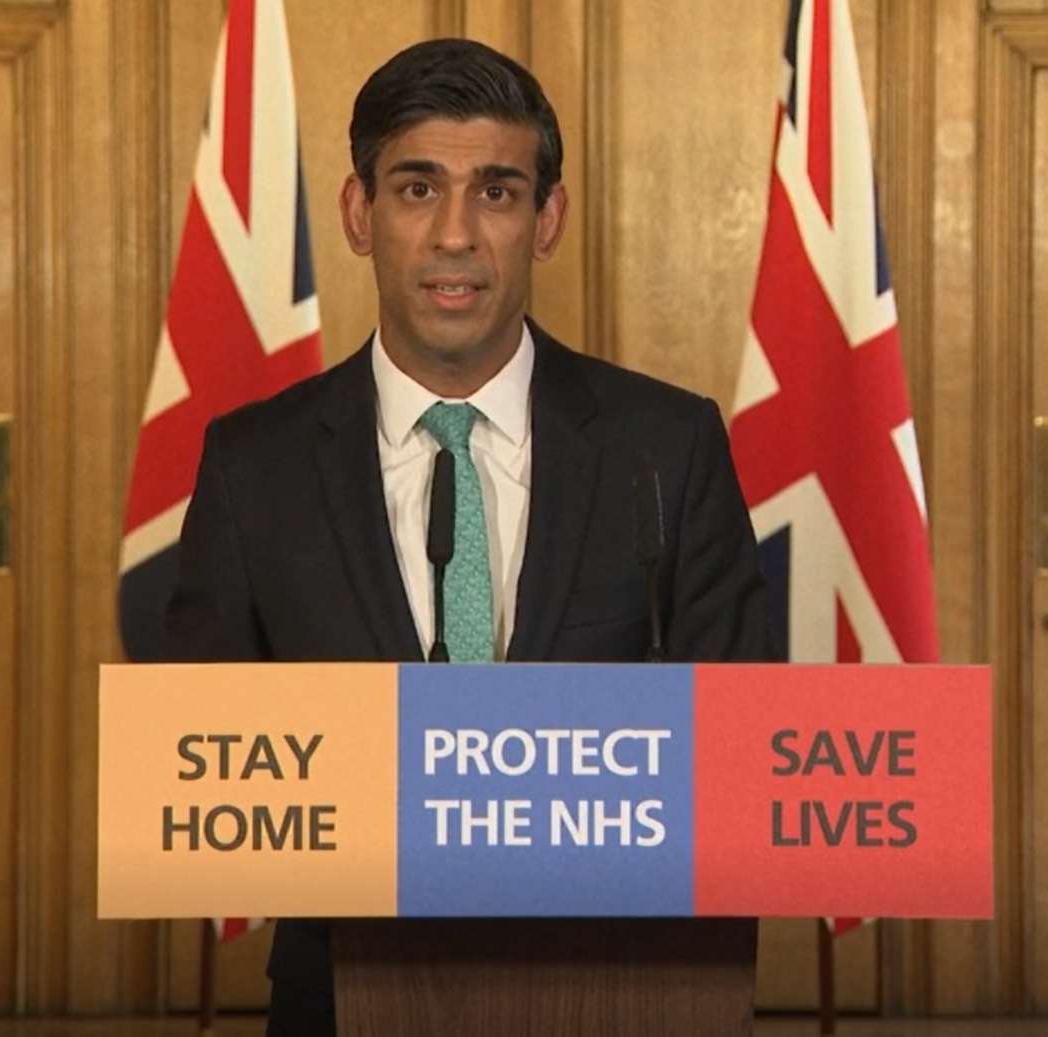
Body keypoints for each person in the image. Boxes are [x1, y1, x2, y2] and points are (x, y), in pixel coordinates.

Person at [163, 37, 775, 1037]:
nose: (455, 234)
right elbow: (204, 746)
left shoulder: (666, 443)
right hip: (341, 984)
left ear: (547, 218)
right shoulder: (252, 463)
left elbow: (739, 729)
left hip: (623, 983)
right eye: (416, 188)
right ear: (361, 216)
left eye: (495, 192)